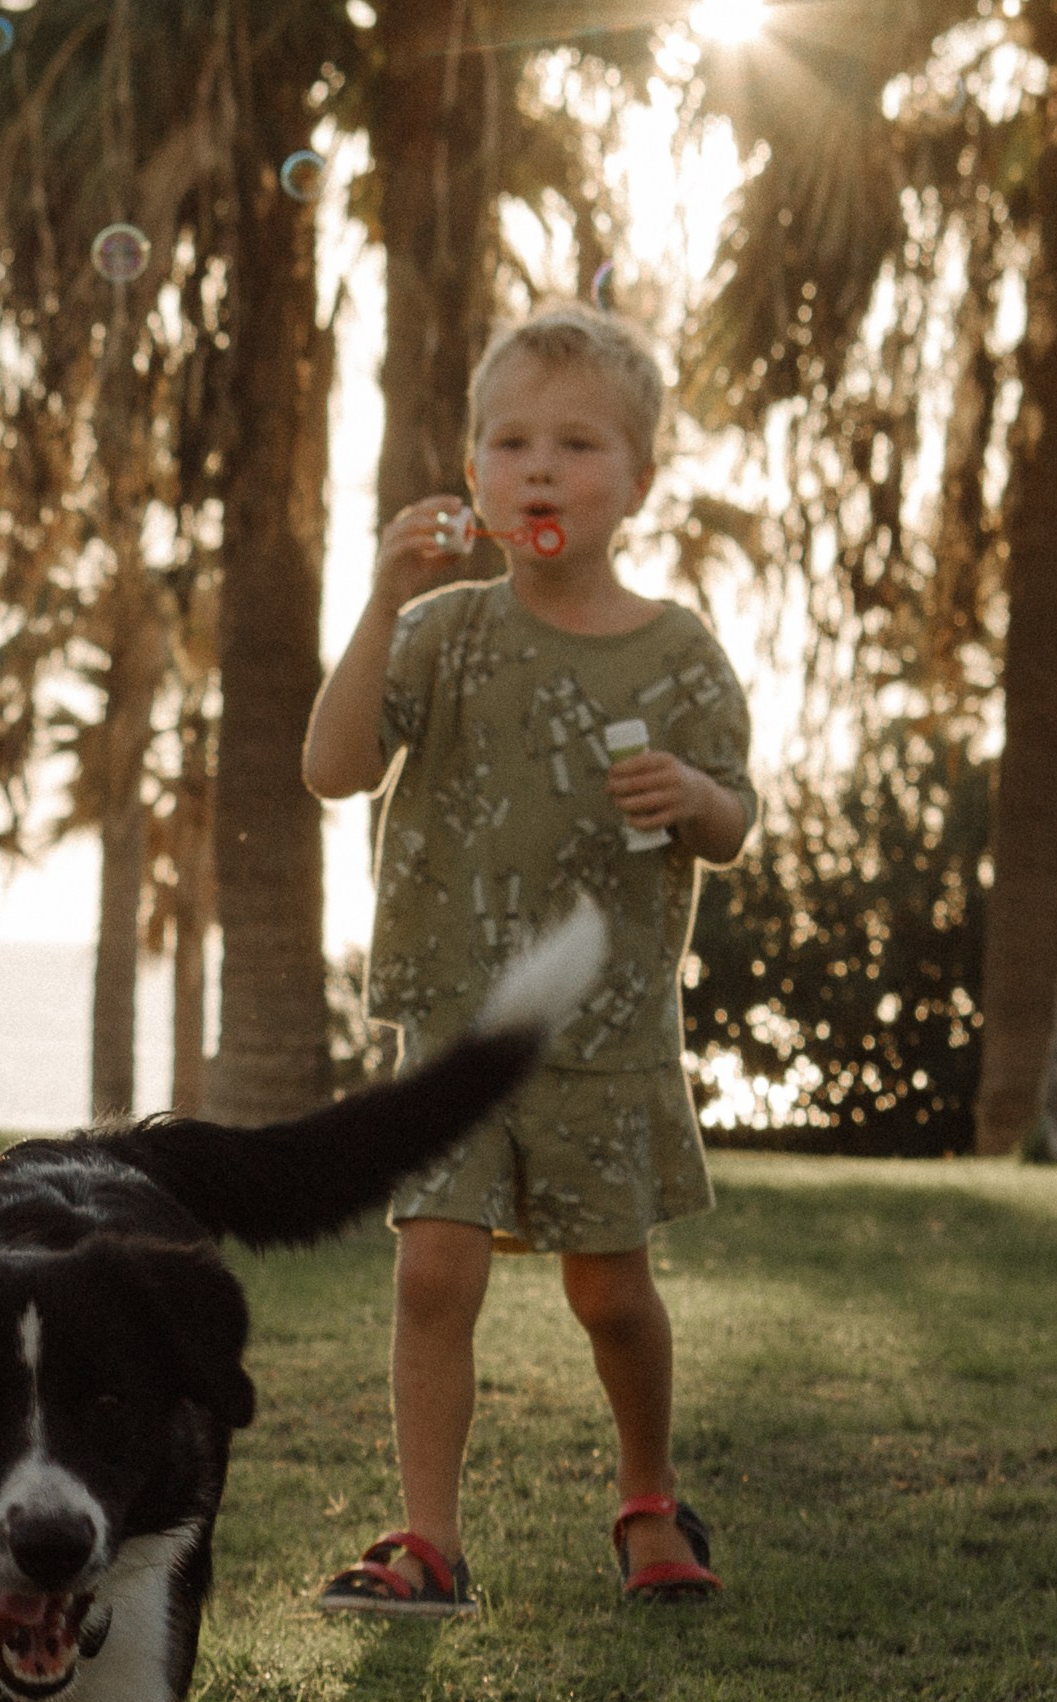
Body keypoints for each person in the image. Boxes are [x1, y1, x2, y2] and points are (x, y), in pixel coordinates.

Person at [301, 301, 756, 1613]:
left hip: (604, 1034)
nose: (538, 469)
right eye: (509, 444)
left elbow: (732, 824)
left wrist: (695, 798)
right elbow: (331, 767)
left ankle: (649, 1499)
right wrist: (381, 600)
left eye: (575, 444)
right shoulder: (439, 632)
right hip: (454, 1021)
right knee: (432, 1268)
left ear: (639, 482)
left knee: (610, 1295)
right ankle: (428, 1541)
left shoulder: (677, 653)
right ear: (471, 475)